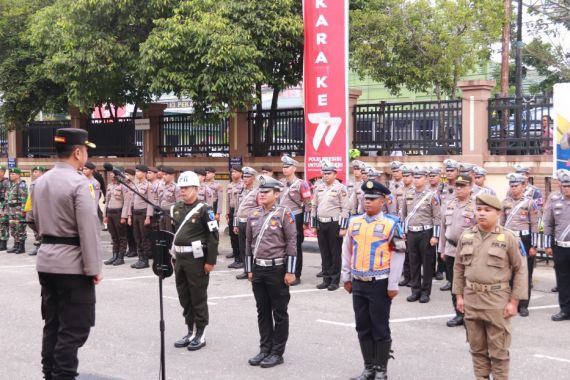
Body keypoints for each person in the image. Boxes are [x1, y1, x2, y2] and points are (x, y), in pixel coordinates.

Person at [30, 128, 102, 379]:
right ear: (77, 152)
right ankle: (63, 375)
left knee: (53, 324)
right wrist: (94, 269)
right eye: (85, 151)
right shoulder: (80, 183)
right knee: (73, 330)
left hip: (46, 261)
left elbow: (32, 219)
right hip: (72, 266)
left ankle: (49, 374)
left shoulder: (40, 181)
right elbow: (88, 228)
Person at [453, 194, 528, 380]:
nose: (482, 214)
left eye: (487, 210)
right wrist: (459, 297)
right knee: (477, 350)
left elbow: (520, 269)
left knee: (499, 353)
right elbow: (458, 267)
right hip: (472, 299)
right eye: (479, 210)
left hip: (497, 301)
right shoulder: (466, 235)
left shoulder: (508, 237)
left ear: (498, 214)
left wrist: (514, 302)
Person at [342, 180, 406, 380]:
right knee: (362, 326)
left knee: (379, 326)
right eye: (365, 198)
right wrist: (346, 276)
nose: (367, 202)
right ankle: (368, 367)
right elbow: (347, 250)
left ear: (383, 201)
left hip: (379, 283)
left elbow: (399, 254)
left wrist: (393, 283)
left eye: (372, 199)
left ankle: (381, 369)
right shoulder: (354, 222)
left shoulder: (391, 223)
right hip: (358, 281)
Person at [245, 175, 297, 368]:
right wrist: (249, 269)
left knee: (279, 312)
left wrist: (290, 271)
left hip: (277, 269)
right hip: (258, 269)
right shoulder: (253, 214)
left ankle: (277, 352)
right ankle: (264, 348)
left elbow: (292, 242)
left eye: (266, 192)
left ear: (277, 194)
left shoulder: (285, 213)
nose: (262, 194)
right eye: (260, 191)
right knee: (262, 311)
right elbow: (248, 244)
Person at [171, 171, 219, 351]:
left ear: (196, 189)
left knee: (198, 296)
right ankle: (189, 330)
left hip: (197, 259)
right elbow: (173, 234)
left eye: (186, 188)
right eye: (180, 188)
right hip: (180, 258)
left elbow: (213, 237)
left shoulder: (205, 210)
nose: (182, 191)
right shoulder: (176, 208)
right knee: (184, 295)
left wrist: (210, 261)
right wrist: (172, 256)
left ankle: (200, 332)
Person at [438, 175, 476, 327]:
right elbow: (442, 228)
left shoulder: (475, 206)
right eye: (457, 186)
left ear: (470, 188)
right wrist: (441, 249)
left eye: (463, 186)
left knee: (469, 284)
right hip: (451, 249)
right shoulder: (449, 204)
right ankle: (458, 313)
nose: (459, 189)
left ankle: (471, 315)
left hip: (468, 250)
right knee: (455, 284)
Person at [501, 173, 539, 317]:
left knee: (525, 273)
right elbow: (501, 223)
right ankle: (510, 301)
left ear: (523, 186)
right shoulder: (505, 202)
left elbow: (535, 225)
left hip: (524, 239)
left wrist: (534, 245)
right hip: (509, 238)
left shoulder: (530, 203)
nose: (513, 189)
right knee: (508, 271)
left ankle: (523, 304)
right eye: (511, 186)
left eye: (516, 186)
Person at [401, 166, 441, 303]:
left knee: (427, 264)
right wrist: (404, 231)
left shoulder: (431, 195)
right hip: (412, 232)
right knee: (414, 263)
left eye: (420, 177)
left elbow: (437, 217)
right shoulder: (408, 193)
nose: (417, 180)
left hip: (426, 233)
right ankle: (415, 290)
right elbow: (404, 214)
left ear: (425, 179)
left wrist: (435, 236)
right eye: (415, 177)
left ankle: (425, 292)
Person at [310, 161, 350, 291]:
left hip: (334, 224)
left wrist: (343, 227)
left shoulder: (341, 188)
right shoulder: (319, 187)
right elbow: (314, 206)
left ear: (335, 174)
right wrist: (314, 224)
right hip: (321, 223)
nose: (326, 176)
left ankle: (334, 280)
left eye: (329, 173)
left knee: (335, 252)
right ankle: (325, 279)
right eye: (324, 173)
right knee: (324, 252)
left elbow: (345, 208)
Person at [279, 155, 311, 286]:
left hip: (295, 217)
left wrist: (305, 222)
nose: (284, 169)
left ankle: (296, 274)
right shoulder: (280, 182)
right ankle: (285, 271)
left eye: (287, 167)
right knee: (282, 245)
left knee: (295, 246)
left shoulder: (302, 184)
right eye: (283, 167)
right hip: (281, 216)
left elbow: (308, 204)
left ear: (294, 168)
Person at [543, 169, 570, 321]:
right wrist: (548, 245)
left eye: (569, 186)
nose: (567, 189)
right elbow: (548, 225)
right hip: (560, 247)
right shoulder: (555, 201)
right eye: (564, 186)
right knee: (563, 280)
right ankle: (565, 310)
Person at [233, 167, 259, 279]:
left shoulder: (257, 192)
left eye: (248, 177)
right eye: (244, 176)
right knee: (243, 247)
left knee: (252, 247)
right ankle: (246, 269)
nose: (245, 179)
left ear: (253, 178)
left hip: (251, 223)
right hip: (241, 223)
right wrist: (236, 223)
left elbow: (260, 209)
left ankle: (255, 270)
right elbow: (237, 208)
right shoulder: (241, 190)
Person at [127, 164, 153, 269]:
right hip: (135, 213)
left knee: (144, 238)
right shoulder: (135, 185)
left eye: (139, 171)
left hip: (143, 213)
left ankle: (145, 260)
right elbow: (131, 202)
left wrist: (148, 216)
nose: (137, 173)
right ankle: (140, 259)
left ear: (144, 173)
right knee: (137, 237)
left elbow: (151, 202)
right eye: (136, 171)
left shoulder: (149, 185)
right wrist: (129, 215)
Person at [103, 169, 129, 266]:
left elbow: (126, 202)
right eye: (111, 173)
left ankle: (120, 257)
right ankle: (114, 255)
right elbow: (107, 201)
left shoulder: (123, 186)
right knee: (113, 236)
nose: (111, 175)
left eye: (113, 173)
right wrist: (105, 215)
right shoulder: (109, 186)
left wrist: (124, 216)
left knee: (121, 236)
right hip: (110, 212)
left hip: (119, 213)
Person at [26, 165, 47, 256]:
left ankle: (43, 247)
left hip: (42, 209)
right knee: (31, 223)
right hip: (32, 208)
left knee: (42, 227)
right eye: (34, 172)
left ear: (42, 173)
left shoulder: (46, 182)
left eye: (36, 172)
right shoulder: (33, 183)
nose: (34, 173)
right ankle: (39, 245)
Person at [7, 167, 28, 254]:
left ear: (18, 175)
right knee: (13, 228)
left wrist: (23, 210)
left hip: (19, 209)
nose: (11, 175)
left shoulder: (21, 184)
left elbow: (24, 198)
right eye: (11, 174)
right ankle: (16, 245)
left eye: (13, 174)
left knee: (20, 228)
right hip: (12, 209)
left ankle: (21, 247)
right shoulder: (12, 184)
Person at [225, 165, 244, 261]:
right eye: (232, 172)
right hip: (232, 211)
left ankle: (240, 257)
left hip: (240, 212)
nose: (233, 174)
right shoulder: (229, 185)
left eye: (235, 172)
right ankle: (235, 252)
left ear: (241, 173)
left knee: (238, 234)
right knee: (231, 233)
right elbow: (228, 201)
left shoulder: (243, 185)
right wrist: (227, 212)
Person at [157, 166, 179, 232]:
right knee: (161, 233)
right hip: (161, 213)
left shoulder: (176, 187)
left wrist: (176, 217)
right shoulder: (160, 186)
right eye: (163, 174)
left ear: (172, 175)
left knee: (170, 233)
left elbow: (179, 203)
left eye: (166, 175)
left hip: (170, 214)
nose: (164, 176)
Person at [0, 165, 9, 251]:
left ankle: (3, 244)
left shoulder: (6, 182)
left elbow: (7, 197)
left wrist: (5, 210)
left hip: (3, 206)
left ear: (3, 172)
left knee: (3, 225)